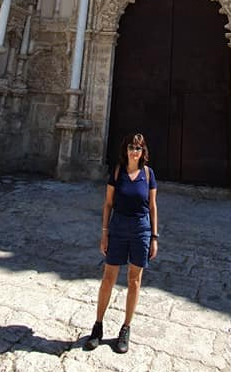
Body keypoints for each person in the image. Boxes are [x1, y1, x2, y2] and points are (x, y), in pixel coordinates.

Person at [84, 132, 158, 354]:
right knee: (108, 277)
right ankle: (98, 326)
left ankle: (126, 328)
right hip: (118, 228)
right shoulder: (117, 172)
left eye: (137, 148)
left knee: (134, 280)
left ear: (142, 151)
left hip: (141, 230)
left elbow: (153, 206)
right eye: (130, 148)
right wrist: (104, 232)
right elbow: (108, 203)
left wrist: (154, 237)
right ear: (125, 151)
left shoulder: (148, 174)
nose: (134, 151)